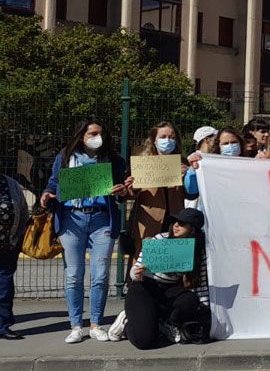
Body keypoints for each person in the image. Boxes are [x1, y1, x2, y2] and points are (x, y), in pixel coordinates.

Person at [41, 119, 132, 343]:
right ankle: (75, 325)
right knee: (73, 275)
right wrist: (47, 194)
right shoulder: (65, 157)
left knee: (100, 275)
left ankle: (95, 324)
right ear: (81, 135)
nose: (95, 137)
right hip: (72, 219)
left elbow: (122, 192)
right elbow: (54, 183)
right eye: (91, 133)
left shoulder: (114, 161)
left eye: (99, 133)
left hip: (102, 219)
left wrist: (121, 191)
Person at [111, 208, 212, 348]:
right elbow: (135, 270)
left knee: (190, 299)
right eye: (175, 222)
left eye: (182, 223)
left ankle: (166, 323)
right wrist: (137, 273)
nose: (176, 225)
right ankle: (127, 322)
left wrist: (204, 313)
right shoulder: (160, 239)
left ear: (193, 229)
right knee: (144, 341)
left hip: (169, 290)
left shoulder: (197, 250)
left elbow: (201, 285)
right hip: (144, 287)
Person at [129, 121, 188, 260]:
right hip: (150, 223)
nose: (167, 141)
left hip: (175, 221)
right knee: (145, 267)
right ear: (154, 140)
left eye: (172, 137)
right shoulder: (143, 162)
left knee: (171, 266)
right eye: (163, 137)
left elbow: (191, 194)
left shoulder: (183, 163)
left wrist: (188, 177)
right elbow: (131, 193)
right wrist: (130, 186)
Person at [0, 173, 34, 340]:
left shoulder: (11, 184)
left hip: (8, 245)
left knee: (4, 288)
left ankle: (3, 325)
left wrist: (16, 238)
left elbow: (22, 210)